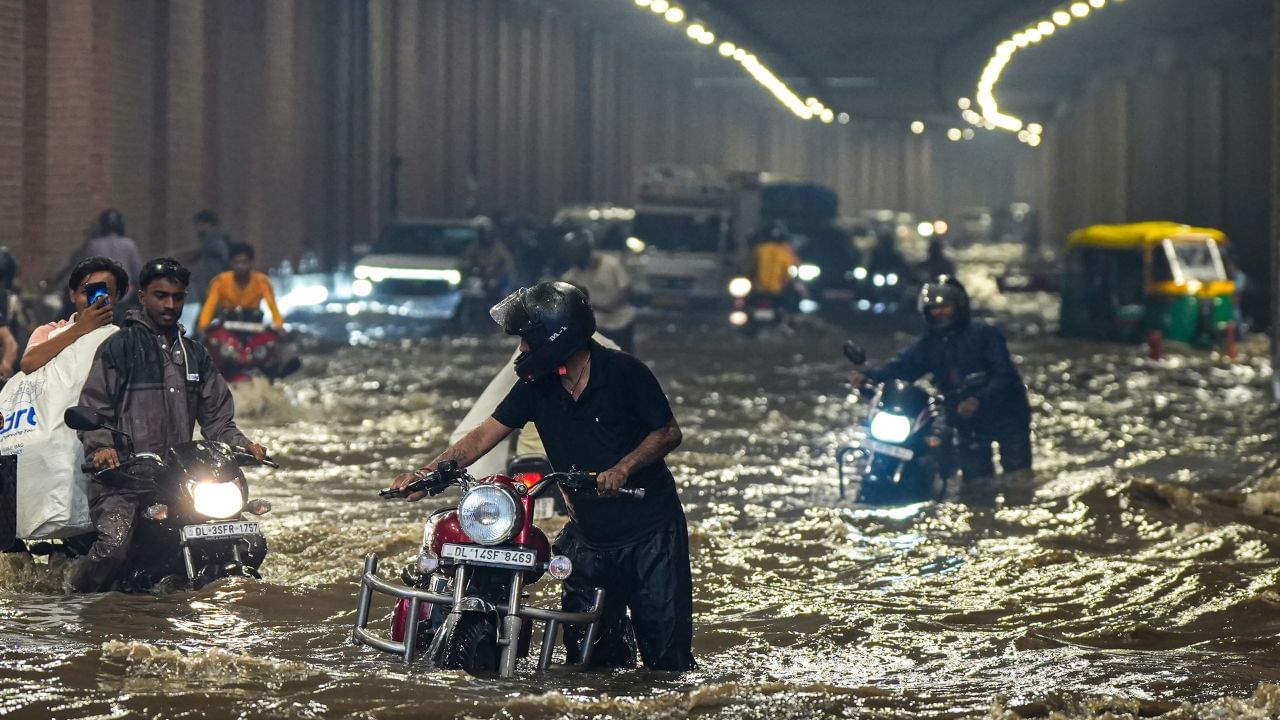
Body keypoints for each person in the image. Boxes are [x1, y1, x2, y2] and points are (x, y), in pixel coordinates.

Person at [388, 282, 694, 671]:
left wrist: (623, 469)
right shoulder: (537, 387)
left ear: (556, 339)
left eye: (527, 340)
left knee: (666, 661)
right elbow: (484, 434)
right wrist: (427, 473)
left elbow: (668, 432)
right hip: (589, 538)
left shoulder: (626, 373)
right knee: (588, 662)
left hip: (651, 537)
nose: (521, 350)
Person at [68, 258, 268, 593]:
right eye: (161, 296)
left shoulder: (196, 354)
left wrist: (243, 445)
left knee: (250, 540)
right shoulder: (120, 347)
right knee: (114, 547)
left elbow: (219, 420)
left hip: (180, 480)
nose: (170, 304)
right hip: (124, 479)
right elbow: (93, 408)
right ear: (142, 297)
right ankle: (76, 595)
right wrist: (102, 447)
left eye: (177, 297)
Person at [849, 275, 1032, 482]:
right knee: (976, 482)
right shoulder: (928, 344)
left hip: (1007, 415)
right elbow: (901, 366)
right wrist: (868, 376)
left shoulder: (985, 334)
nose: (940, 312)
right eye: (934, 308)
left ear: (959, 306)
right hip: (967, 421)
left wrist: (978, 399)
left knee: (1018, 477)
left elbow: (1004, 374)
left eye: (945, 306)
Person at [20, 257, 127, 374]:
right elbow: (28, 364)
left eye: (104, 293)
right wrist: (81, 327)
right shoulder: (49, 331)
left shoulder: (123, 336)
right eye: (86, 292)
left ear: (117, 297)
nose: (95, 301)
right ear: (72, 295)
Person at [560, 230, 637, 353]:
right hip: (598, 327)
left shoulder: (610, 263)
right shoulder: (571, 277)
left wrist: (611, 304)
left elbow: (626, 288)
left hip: (621, 321)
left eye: (578, 254)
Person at [196, 243, 284, 334]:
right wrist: (203, 325)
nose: (240, 266)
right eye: (236, 263)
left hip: (254, 326)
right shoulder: (220, 281)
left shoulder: (262, 281)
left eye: (244, 262)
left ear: (251, 263)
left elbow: (272, 305)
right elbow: (210, 305)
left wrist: (279, 325)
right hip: (227, 326)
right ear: (231, 263)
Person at [71, 209, 144, 294]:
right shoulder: (129, 244)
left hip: (98, 293)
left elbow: (80, 270)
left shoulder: (93, 245)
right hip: (123, 293)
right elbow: (138, 273)